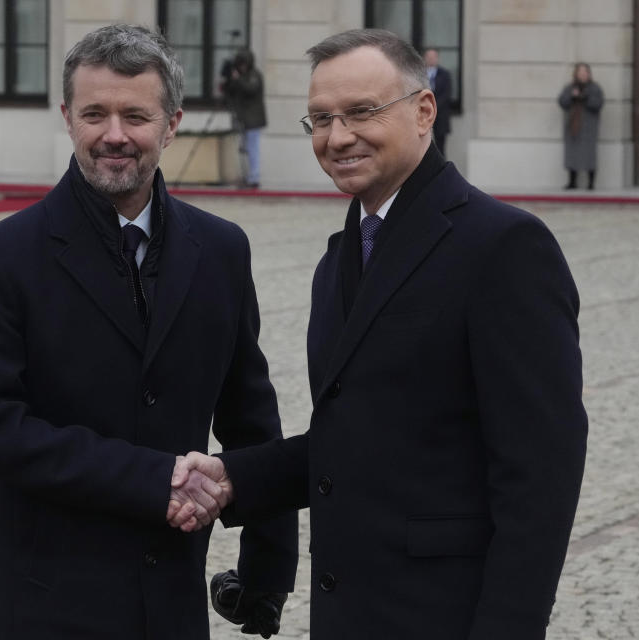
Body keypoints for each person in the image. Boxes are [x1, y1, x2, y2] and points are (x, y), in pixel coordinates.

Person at [170, 28, 588, 640]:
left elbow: (541, 474)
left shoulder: (503, 246)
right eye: (320, 119)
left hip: (445, 614)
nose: (337, 137)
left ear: (424, 112)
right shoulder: (340, 258)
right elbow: (357, 438)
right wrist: (237, 477)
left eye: (361, 112)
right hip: (352, 612)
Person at [0, 24, 296, 640]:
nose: (114, 135)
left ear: (172, 123)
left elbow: (251, 419)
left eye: (136, 115)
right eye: (94, 114)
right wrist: (150, 479)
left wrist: (267, 571)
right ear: (66, 117)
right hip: (34, 604)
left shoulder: (220, 250)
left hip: (167, 602)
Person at [222, 49, 266, 188]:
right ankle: (247, 176)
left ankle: (254, 178)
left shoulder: (254, 75)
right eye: (240, 64)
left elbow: (251, 89)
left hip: (253, 119)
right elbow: (230, 92)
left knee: (253, 148)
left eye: (244, 64)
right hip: (243, 119)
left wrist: (237, 79)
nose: (242, 67)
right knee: (244, 149)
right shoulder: (241, 76)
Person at [558, 62, 604, 190]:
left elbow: (598, 104)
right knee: (572, 154)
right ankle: (572, 181)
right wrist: (573, 97)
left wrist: (585, 97)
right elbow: (562, 101)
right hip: (573, 127)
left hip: (589, 128)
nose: (583, 75)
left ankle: (591, 183)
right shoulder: (570, 87)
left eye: (585, 72)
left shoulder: (595, 88)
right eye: (580, 72)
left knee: (589, 155)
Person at [423, 47, 452, 154]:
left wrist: (433, 107)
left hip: (440, 118)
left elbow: (446, 94)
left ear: (437, 58)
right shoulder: (420, 74)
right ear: (425, 58)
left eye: (433, 57)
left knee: (440, 149)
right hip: (424, 116)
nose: (431, 59)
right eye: (428, 57)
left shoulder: (445, 74)